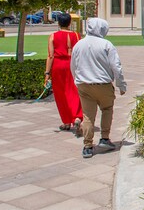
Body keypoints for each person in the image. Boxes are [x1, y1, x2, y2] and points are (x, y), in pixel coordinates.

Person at [71, 18, 127, 158]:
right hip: (103, 84)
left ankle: (88, 146)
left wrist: (76, 81)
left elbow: (73, 65)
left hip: (84, 85)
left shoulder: (79, 45)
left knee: (88, 116)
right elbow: (116, 67)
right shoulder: (106, 44)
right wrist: (121, 84)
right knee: (106, 109)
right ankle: (104, 138)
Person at [45, 13, 83, 133]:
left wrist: (47, 73)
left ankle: (66, 121)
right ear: (70, 23)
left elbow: (51, 56)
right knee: (74, 91)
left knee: (61, 93)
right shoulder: (77, 35)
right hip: (73, 65)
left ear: (58, 23)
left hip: (59, 65)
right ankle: (77, 116)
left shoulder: (53, 36)